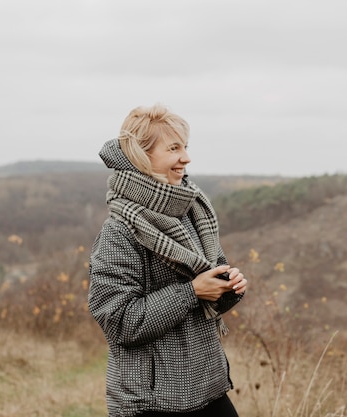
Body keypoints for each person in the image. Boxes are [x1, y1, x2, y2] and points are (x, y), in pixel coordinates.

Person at [88, 104, 247, 417]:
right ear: (141, 157)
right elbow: (118, 322)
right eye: (174, 148)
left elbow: (208, 296)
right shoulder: (119, 231)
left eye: (185, 147)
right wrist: (192, 293)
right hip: (151, 400)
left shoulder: (192, 211)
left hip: (207, 384)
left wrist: (228, 289)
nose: (185, 158)